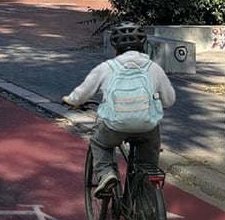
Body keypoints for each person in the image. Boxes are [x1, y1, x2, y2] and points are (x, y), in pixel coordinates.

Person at [62, 22, 176, 197]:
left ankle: (107, 174)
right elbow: (169, 100)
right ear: (142, 45)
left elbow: (82, 93)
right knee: (149, 163)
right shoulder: (153, 68)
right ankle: (147, 205)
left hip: (115, 126)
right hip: (147, 127)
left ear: (115, 46)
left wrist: (71, 101)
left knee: (98, 143)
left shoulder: (106, 68)